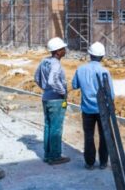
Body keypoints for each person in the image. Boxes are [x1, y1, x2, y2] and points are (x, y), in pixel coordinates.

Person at [72, 42, 114, 170]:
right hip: (102, 110)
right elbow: (110, 94)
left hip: (87, 109)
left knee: (88, 136)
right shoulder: (104, 71)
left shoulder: (81, 69)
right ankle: (103, 162)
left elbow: (74, 85)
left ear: (90, 55)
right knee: (104, 135)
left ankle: (89, 163)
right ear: (102, 56)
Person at [34, 37, 70, 165]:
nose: (65, 50)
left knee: (48, 126)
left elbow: (36, 78)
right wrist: (62, 92)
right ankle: (55, 156)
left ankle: (48, 154)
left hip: (46, 98)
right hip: (56, 100)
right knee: (56, 128)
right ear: (58, 51)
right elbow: (52, 81)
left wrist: (45, 89)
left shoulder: (44, 61)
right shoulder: (55, 63)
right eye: (63, 49)